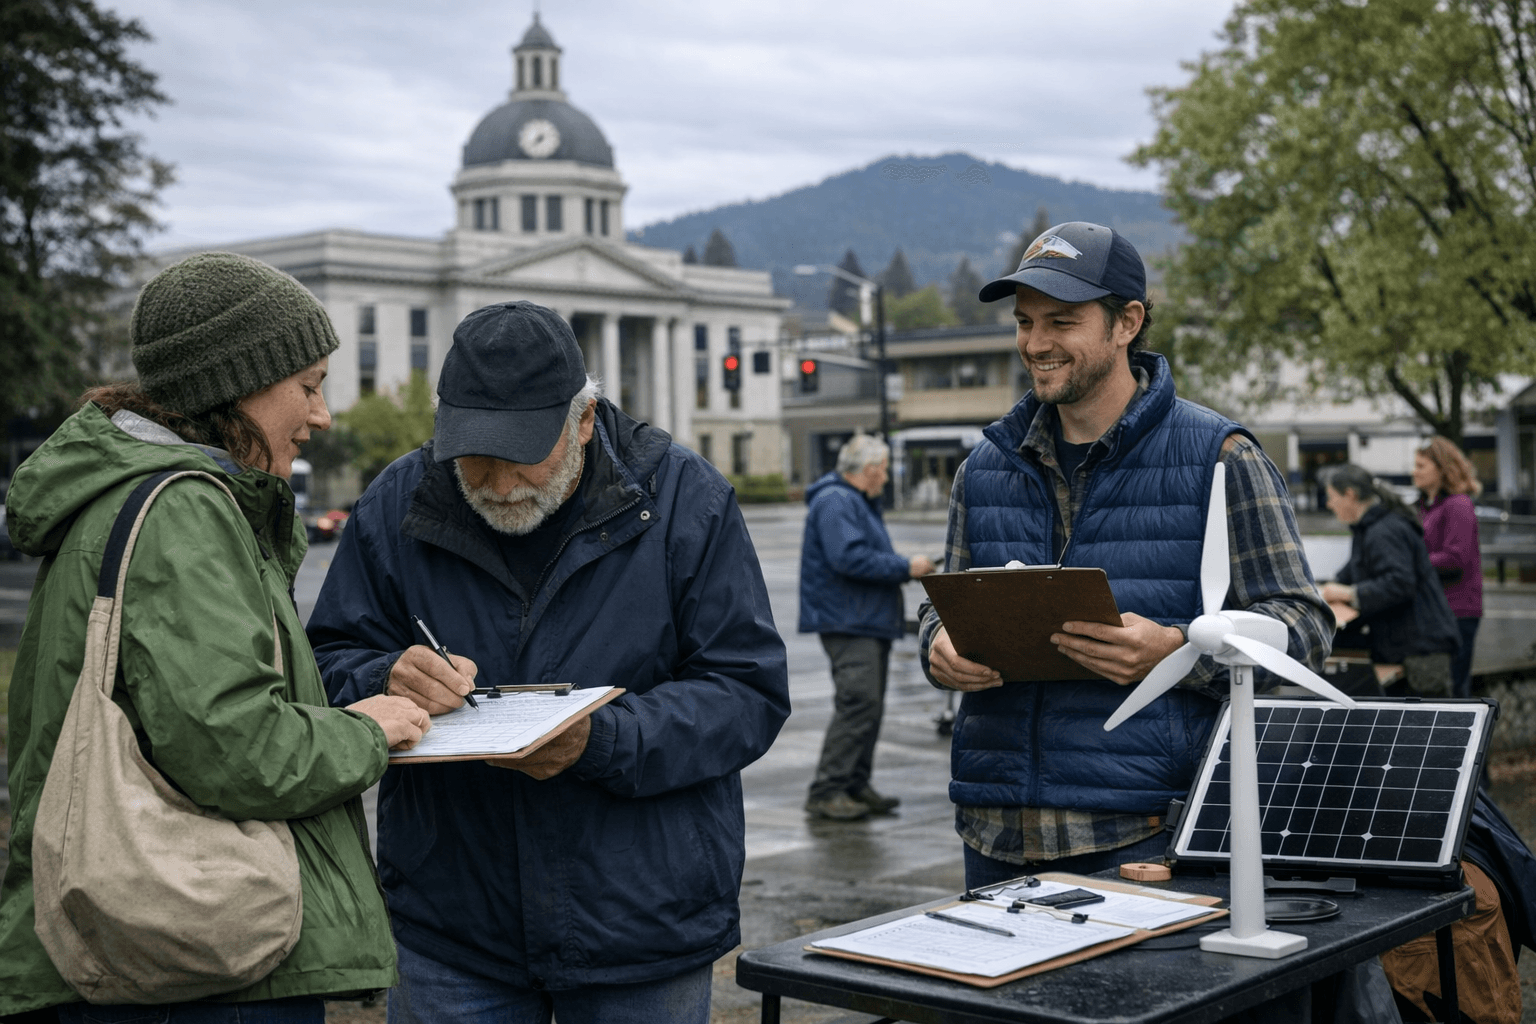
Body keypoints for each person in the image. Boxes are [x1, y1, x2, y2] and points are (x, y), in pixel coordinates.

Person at [305, 301, 790, 1024]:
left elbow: (746, 692)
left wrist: (603, 740)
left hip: (643, 921)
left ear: (585, 420)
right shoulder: (396, 503)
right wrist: (383, 679)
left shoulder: (687, 500)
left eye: (524, 453)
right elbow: (324, 661)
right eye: (475, 455)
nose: (499, 484)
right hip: (452, 925)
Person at [0, 252, 430, 1023]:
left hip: (138, 945)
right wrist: (367, 729)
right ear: (236, 384)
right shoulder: (183, 511)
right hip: (195, 958)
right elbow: (234, 747)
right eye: (307, 385)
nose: (321, 415)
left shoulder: (131, 494)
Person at [918, 221, 1333, 889]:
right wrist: (938, 645)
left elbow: (1306, 629)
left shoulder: (1222, 458)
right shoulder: (983, 468)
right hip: (992, 830)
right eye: (1025, 323)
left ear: (1127, 323)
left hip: (1140, 832)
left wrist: (1178, 650)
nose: (1036, 343)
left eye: (1061, 321)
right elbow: (943, 608)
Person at [799, 433, 937, 821]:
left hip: (861, 619)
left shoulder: (851, 501)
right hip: (849, 620)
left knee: (868, 706)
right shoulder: (837, 501)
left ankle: (855, 783)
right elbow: (849, 557)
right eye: (883, 470)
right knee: (859, 703)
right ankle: (828, 790)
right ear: (869, 469)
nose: (887, 479)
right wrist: (904, 566)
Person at [1320, 464, 1460, 695]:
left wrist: (1347, 594)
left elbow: (1400, 583)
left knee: (1421, 726)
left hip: (1421, 650)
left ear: (1350, 495)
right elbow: (1348, 576)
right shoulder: (1368, 530)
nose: (1329, 504)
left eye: (1332, 497)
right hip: (1409, 647)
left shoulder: (1383, 531)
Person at [1413, 437, 1484, 697]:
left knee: (1453, 690)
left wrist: (1413, 563)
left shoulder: (1458, 505)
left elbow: (1456, 559)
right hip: (1436, 611)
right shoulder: (1425, 507)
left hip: (1457, 612)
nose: (1414, 472)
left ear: (1441, 468)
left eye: (1421, 466)